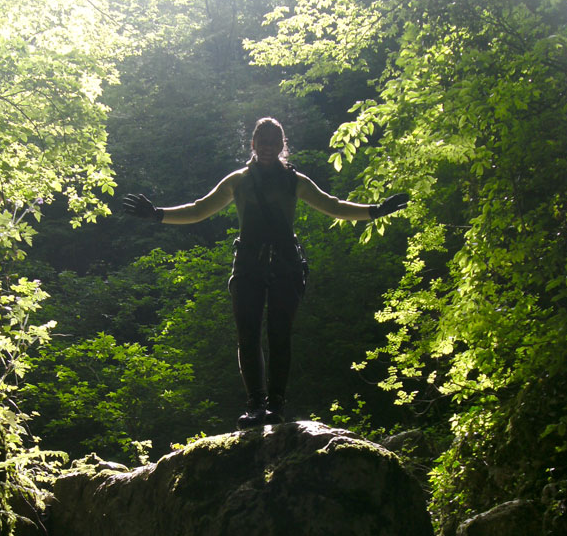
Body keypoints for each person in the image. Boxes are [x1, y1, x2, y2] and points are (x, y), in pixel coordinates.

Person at [123, 116, 407, 427]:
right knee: (248, 335)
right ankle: (255, 405)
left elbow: (334, 205)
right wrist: (157, 215)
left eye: (275, 143)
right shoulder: (238, 181)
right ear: (254, 145)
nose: (269, 148)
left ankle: (276, 405)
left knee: (279, 334)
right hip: (247, 265)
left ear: (283, 145)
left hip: (286, 264)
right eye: (263, 143)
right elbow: (199, 209)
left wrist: (375, 211)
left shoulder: (294, 180)